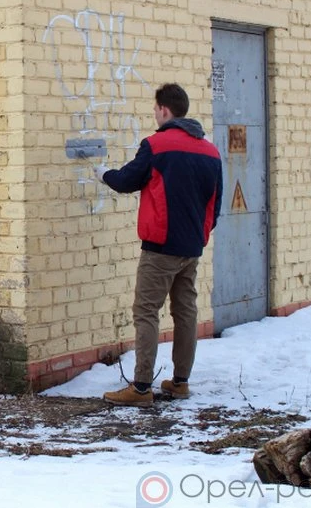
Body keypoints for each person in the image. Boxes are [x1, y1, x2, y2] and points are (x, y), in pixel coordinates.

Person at [95, 83, 223, 408]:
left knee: (146, 311)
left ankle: (140, 388)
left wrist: (103, 173)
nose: (154, 114)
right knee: (185, 311)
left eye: (155, 109)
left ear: (164, 110)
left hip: (160, 247)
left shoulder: (156, 145)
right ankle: (180, 382)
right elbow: (215, 203)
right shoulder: (211, 152)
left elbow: (126, 181)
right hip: (191, 247)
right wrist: (199, 234)